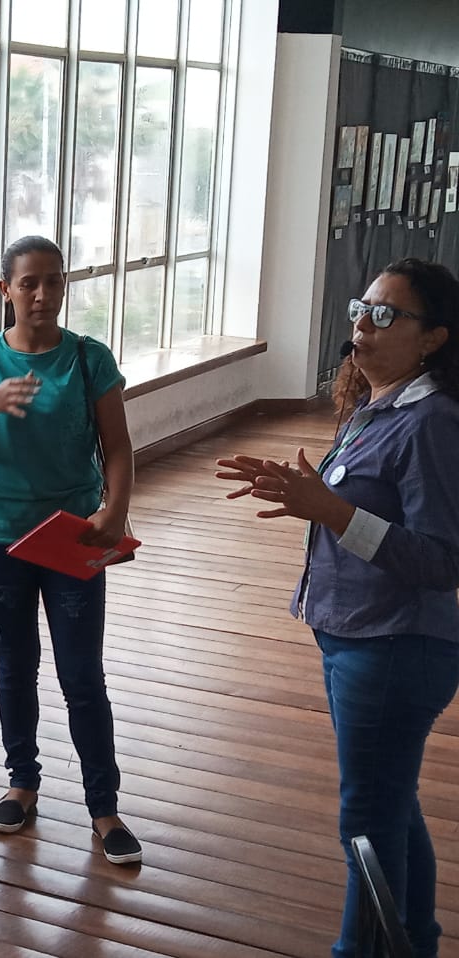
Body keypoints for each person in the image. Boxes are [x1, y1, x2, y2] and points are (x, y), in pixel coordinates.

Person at [215, 258, 459, 958]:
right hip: (356, 637)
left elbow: (444, 560)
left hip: (395, 647)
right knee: (392, 803)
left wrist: (331, 508)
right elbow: (358, 509)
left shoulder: (432, 422)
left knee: (367, 819)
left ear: (433, 337)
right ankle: (414, 941)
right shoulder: (376, 405)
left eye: (387, 314)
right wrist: (307, 494)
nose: (363, 321)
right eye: (364, 305)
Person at [0, 235, 142, 865]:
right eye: (28, 283)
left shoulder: (87, 357)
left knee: (82, 674)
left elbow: (119, 446)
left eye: (53, 281)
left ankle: (103, 806)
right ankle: (20, 783)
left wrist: (114, 510)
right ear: (6, 289)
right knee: (13, 666)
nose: (43, 294)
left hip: (72, 534)